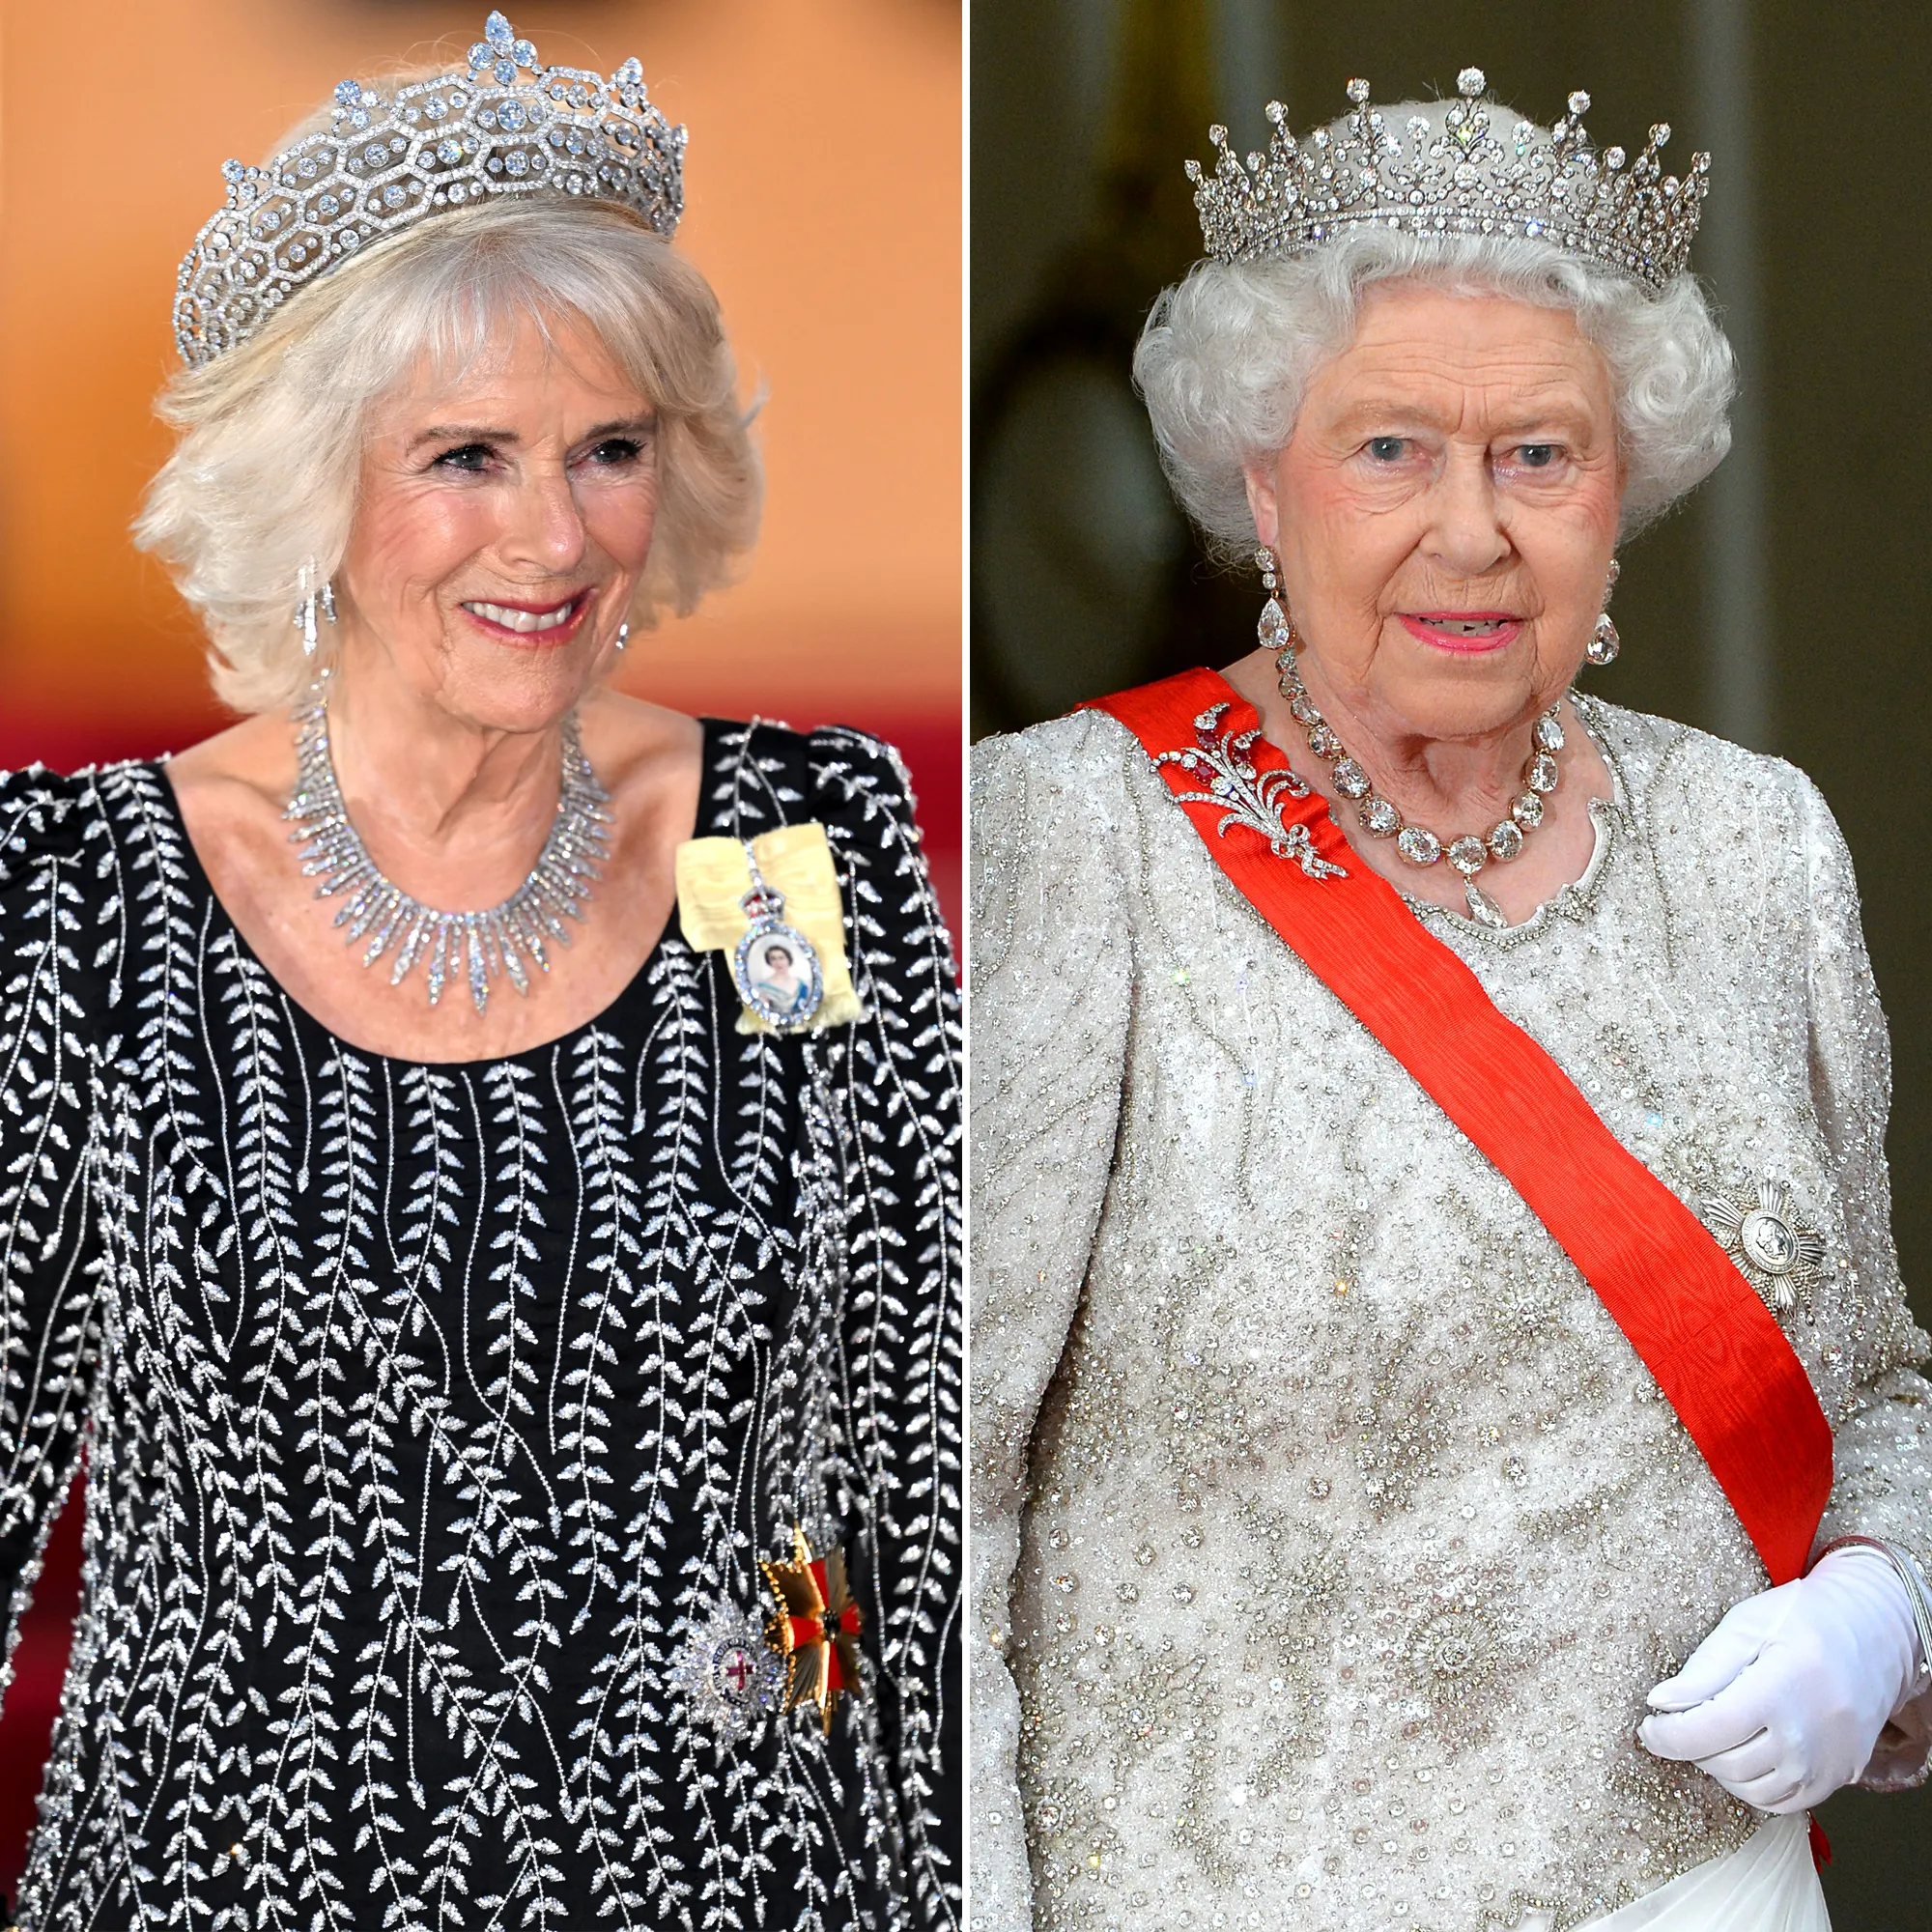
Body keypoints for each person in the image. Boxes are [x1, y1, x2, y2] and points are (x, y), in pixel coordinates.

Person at [0, 15, 960, 1928]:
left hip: (734, 1866)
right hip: (233, 1881)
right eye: (465, 457)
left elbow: (901, 1428)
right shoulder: (89, 890)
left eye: (609, 449)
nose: (554, 534)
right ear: (311, 495)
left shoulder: (781, 847)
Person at [970, 71, 1932, 1932]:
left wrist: (1890, 1596)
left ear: (1624, 489)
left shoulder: (1760, 852)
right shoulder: (1069, 837)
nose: (1474, 531)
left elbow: (1878, 1374)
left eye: (1541, 454)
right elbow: (942, 1505)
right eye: (1391, 447)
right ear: (1264, 478)